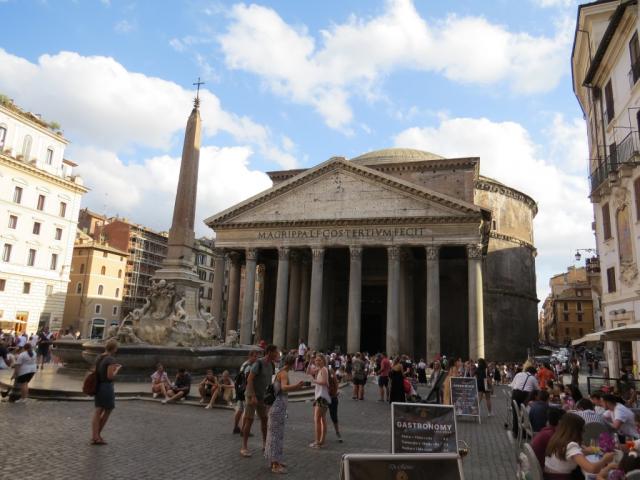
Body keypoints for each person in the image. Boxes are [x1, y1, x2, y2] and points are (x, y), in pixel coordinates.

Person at [264, 354, 304, 474]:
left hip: (277, 405)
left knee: (275, 434)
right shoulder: (284, 373)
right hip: (278, 406)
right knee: (276, 435)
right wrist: (297, 386)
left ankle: (275, 460)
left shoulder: (281, 372)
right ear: (293, 363)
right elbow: (284, 388)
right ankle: (275, 465)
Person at [544, 413, 614, 478]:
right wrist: (605, 459)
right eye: (582, 429)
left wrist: (591, 451)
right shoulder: (571, 445)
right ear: (577, 430)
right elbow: (592, 469)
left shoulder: (558, 438)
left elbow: (571, 455)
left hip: (550, 475)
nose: (583, 432)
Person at [241, 344, 278, 458]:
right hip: (251, 395)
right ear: (270, 352)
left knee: (264, 420)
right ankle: (244, 447)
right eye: (276, 352)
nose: (277, 354)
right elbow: (249, 379)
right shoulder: (258, 363)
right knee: (249, 420)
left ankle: (265, 444)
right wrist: (252, 396)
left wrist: (271, 395)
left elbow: (268, 381)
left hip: (262, 396)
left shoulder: (271, 364)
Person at [91, 339, 121, 445]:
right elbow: (110, 376)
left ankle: (95, 435)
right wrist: (117, 370)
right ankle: (97, 435)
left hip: (98, 386)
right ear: (114, 349)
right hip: (106, 387)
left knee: (98, 411)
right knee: (108, 410)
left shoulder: (100, 357)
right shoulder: (110, 360)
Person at [233, 350, 258, 434]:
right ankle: (244, 430)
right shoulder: (250, 366)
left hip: (239, 388)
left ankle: (236, 427)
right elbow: (249, 379)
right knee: (246, 410)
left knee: (239, 409)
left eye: (256, 356)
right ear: (250, 356)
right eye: (254, 356)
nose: (256, 358)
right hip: (245, 389)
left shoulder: (244, 364)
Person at [510, 365, 539, 437]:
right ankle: (524, 432)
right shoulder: (532, 378)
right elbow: (537, 389)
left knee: (515, 413)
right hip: (525, 395)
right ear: (533, 373)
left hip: (515, 394)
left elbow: (512, 385)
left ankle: (515, 432)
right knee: (525, 412)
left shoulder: (518, 374)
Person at [309, 354, 331, 449]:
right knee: (322, 419)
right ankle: (321, 440)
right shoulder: (320, 369)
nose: (317, 362)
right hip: (321, 396)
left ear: (323, 360)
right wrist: (310, 361)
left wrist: (314, 381)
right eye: (316, 360)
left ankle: (317, 442)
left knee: (317, 419)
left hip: (322, 397)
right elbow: (308, 372)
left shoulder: (323, 370)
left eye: (319, 360)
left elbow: (325, 382)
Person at [328, 365, 343, 443]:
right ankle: (321, 434)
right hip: (323, 396)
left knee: (334, 416)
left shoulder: (330, 371)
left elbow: (336, 382)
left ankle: (337, 432)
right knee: (320, 417)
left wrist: (335, 392)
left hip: (332, 396)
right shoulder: (318, 370)